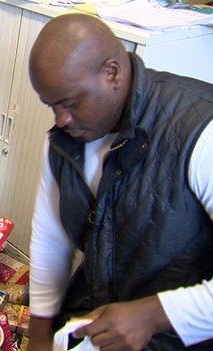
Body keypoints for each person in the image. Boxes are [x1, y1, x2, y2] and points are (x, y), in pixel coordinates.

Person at [27, 14, 213, 350]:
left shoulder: (201, 134)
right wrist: (39, 337)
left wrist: (153, 315)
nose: (60, 119)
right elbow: (51, 236)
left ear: (112, 73)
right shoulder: (63, 139)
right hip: (104, 319)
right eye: (51, 105)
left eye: (69, 102)